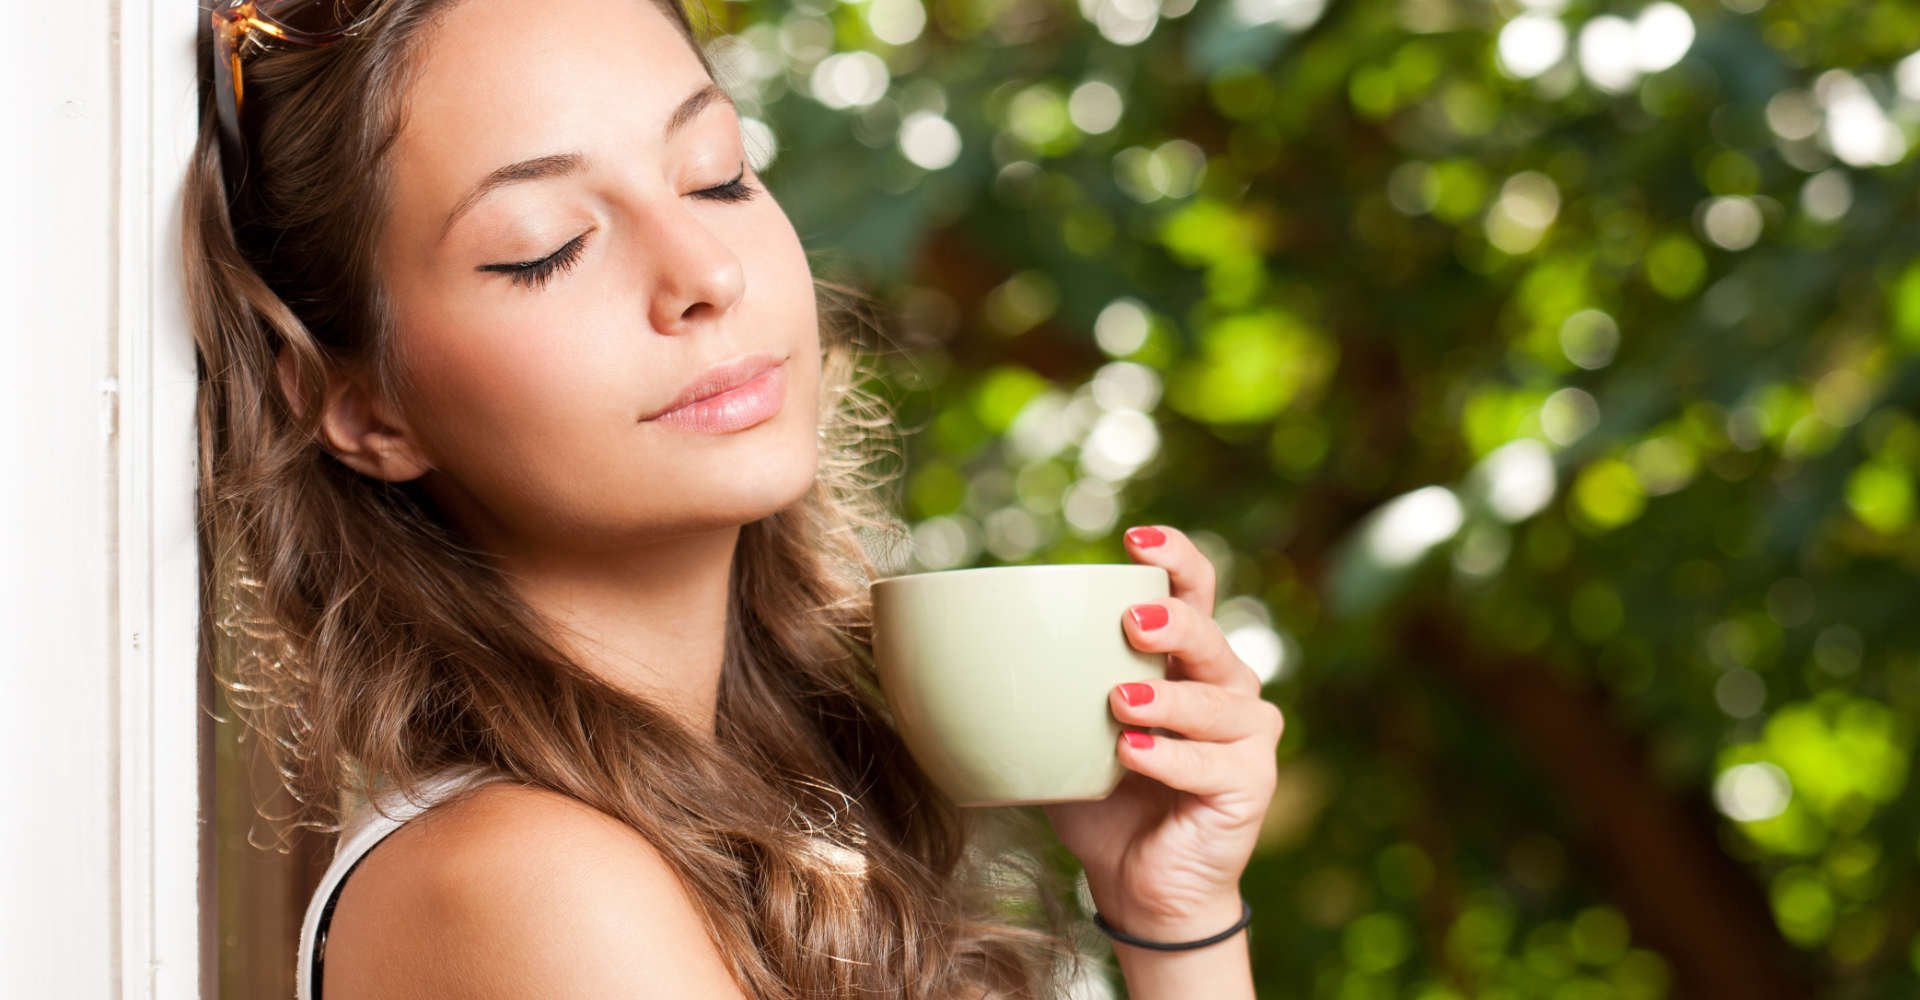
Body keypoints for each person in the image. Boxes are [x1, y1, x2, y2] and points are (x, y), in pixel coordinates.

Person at [184, 0, 1286, 997]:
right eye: (547, 249)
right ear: (367, 409)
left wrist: (1169, 914)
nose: (705, 270)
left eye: (718, 172)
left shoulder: (746, 811)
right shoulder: (524, 883)